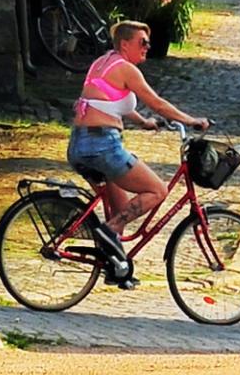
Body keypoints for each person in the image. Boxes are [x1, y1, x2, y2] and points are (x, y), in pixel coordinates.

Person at [71, 21, 208, 280]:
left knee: (121, 208)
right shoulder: (125, 68)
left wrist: (143, 123)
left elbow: (109, 101)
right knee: (157, 190)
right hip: (102, 146)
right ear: (125, 44)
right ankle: (107, 231)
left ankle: (116, 268)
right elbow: (156, 102)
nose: (147, 47)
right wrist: (191, 120)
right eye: (142, 42)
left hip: (81, 144)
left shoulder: (103, 63)